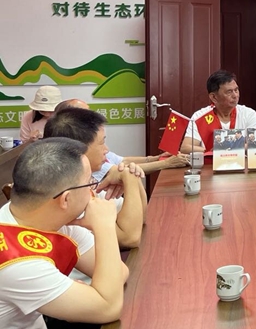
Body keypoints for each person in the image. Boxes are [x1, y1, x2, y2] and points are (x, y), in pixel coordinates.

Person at [0, 138, 128, 328]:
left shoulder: (44, 214)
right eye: (89, 183)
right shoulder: (15, 262)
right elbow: (108, 308)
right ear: (65, 199)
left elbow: (120, 272)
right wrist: (105, 226)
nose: (93, 190)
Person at [44, 108, 147, 249]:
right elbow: (130, 238)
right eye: (101, 143)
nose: (106, 150)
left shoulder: (89, 181)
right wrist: (130, 180)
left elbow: (140, 219)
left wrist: (132, 176)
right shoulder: (72, 194)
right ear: (79, 149)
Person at [56, 98, 189, 179]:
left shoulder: (95, 143)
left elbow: (122, 161)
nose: (92, 117)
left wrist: (156, 158)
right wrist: (167, 163)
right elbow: (122, 171)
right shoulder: (82, 153)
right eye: (86, 115)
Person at [181, 70, 256, 153]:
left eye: (236, 90)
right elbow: (185, 148)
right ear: (214, 97)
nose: (235, 95)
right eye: (229, 92)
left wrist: (222, 149)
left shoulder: (249, 114)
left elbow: (254, 145)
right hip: (210, 161)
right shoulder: (199, 117)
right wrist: (213, 152)